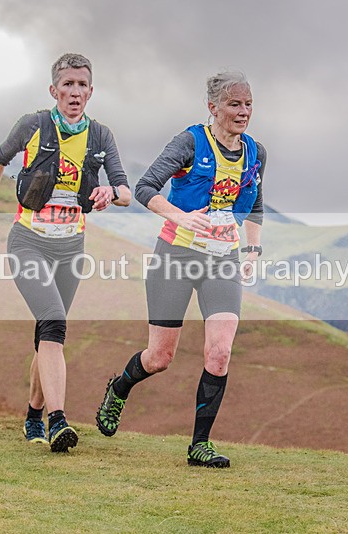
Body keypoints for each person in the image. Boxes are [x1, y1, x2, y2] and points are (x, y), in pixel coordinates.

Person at [96, 71, 267, 468]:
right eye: (234, 104)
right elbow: (144, 188)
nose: (243, 112)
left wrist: (253, 249)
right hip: (175, 255)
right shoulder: (190, 142)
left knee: (220, 352)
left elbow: (255, 202)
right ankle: (119, 388)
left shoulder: (256, 151)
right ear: (213, 107)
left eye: (248, 104)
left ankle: (199, 445)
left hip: (223, 259)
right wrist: (180, 216)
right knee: (159, 357)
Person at [0, 53, 131, 452]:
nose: (75, 92)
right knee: (54, 323)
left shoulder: (101, 136)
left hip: (71, 247)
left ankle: (34, 413)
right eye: (68, 84)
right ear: (53, 90)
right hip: (28, 242)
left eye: (82, 85)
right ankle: (58, 421)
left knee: (47, 334)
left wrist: (111, 192)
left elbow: (126, 191)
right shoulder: (33, 125)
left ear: (91, 91)